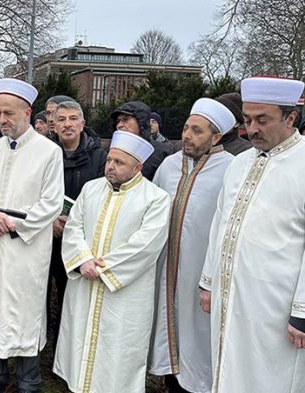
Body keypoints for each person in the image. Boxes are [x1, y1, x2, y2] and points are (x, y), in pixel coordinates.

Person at [199, 76, 305, 393]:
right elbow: (220, 222)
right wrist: (208, 281)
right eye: (247, 119)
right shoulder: (239, 162)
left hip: (277, 305)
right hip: (231, 295)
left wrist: (302, 311)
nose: (252, 129)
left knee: (271, 376)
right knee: (228, 367)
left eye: (263, 119)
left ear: (290, 117)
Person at [0, 78, 64, 393]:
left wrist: (11, 224)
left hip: (26, 249)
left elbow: (51, 203)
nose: (1, 119)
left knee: (24, 309)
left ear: (27, 112)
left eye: (8, 113)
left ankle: (29, 379)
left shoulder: (48, 152)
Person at [53, 130, 170, 393]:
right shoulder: (90, 189)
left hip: (125, 292)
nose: (111, 167)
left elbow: (145, 245)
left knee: (118, 351)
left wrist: (102, 267)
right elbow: (74, 228)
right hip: (85, 281)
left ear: (138, 167)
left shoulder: (156, 198)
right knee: (80, 341)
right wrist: (83, 260)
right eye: (109, 160)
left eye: (119, 163)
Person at [148, 98, 236, 393]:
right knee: (166, 331)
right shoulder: (169, 166)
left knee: (199, 339)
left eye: (197, 131)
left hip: (203, 277)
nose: (186, 135)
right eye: (186, 128)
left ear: (216, 136)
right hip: (164, 270)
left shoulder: (231, 170)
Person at [47, 100, 106, 346]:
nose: (67, 124)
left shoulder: (99, 157)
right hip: (46, 235)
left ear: (83, 124)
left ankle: (66, 347)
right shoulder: (45, 153)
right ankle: (38, 346)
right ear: (54, 125)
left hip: (81, 240)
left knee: (70, 296)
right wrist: (49, 220)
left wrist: (75, 223)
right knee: (39, 292)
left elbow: (106, 196)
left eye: (73, 119)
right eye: (61, 119)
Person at [111, 101, 172, 179]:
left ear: (141, 121)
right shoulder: (112, 151)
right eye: (117, 121)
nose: (119, 125)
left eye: (125, 120)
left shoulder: (162, 152)